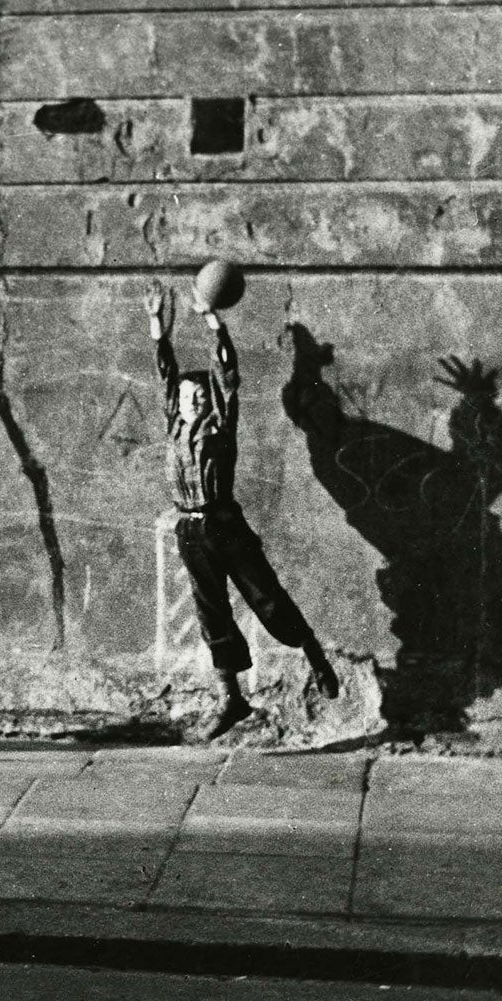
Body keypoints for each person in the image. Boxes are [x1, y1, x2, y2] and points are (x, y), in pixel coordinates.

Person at [149, 281, 341, 738]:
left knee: (266, 597)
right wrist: (158, 330)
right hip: (190, 530)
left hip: (225, 523)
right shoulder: (174, 425)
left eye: (200, 395)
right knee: (210, 611)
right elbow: (165, 373)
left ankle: (314, 656)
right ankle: (230, 698)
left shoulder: (221, 424)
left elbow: (227, 373)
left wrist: (213, 322)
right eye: (187, 396)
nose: (193, 399)